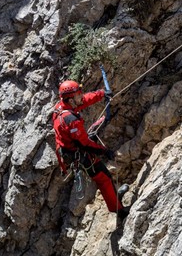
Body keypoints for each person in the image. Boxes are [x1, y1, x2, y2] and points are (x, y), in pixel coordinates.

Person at [52, 80, 129, 218]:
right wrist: (105, 151)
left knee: (104, 177)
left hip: (72, 147)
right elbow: (85, 144)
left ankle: (115, 198)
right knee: (104, 177)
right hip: (79, 153)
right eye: (78, 94)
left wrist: (101, 94)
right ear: (70, 98)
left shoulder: (62, 106)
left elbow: (83, 101)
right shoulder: (70, 119)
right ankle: (119, 210)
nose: (81, 96)